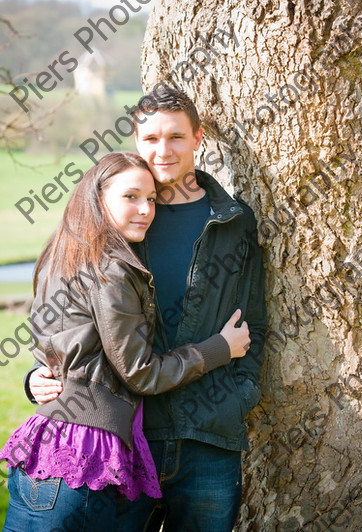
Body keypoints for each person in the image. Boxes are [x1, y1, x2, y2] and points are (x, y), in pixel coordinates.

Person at [26, 87, 266, 531]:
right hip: (124, 438)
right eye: (150, 138)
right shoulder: (117, 216)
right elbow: (66, 309)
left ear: (198, 139)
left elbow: (255, 319)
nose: (164, 150)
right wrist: (39, 374)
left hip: (209, 433)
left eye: (176, 137)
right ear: (136, 140)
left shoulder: (233, 221)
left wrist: (241, 394)